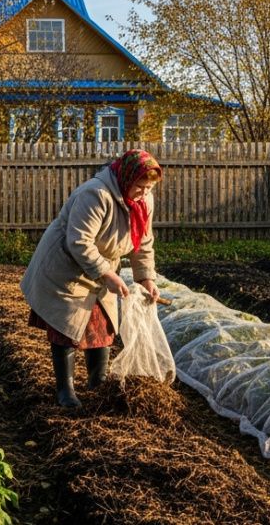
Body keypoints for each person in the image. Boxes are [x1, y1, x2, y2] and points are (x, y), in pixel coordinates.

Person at [21, 148, 162, 407]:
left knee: (103, 325)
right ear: (127, 179)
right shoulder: (96, 194)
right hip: (65, 266)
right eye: (140, 187)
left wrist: (146, 279)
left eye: (149, 189)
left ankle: (98, 385)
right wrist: (107, 273)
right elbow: (79, 242)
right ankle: (66, 390)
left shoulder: (144, 202)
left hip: (101, 267)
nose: (144, 194)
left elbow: (143, 242)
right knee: (67, 326)